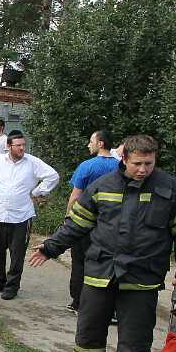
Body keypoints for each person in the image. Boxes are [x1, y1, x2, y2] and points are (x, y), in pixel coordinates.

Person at [30, 134, 176, 352]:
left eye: (149, 163)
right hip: (100, 273)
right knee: (89, 330)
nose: (143, 169)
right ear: (123, 159)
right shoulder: (103, 186)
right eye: (137, 163)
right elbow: (76, 224)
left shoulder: (171, 190)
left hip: (142, 278)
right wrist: (50, 247)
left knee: (135, 339)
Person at [0, 131, 59, 300]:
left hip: (21, 217)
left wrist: (37, 191)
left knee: (17, 254)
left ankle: (12, 286)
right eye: (18, 145)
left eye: (23, 145)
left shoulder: (32, 162)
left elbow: (53, 176)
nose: (22, 148)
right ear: (9, 146)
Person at [65, 130, 120, 313]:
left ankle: (78, 302)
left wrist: (68, 217)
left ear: (101, 144)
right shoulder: (121, 167)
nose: (89, 145)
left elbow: (75, 196)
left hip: (84, 224)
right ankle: (107, 306)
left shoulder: (87, 166)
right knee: (106, 264)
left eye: (91, 141)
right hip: (111, 225)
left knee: (80, 263)